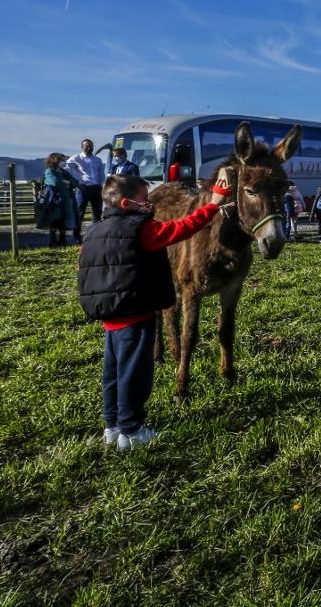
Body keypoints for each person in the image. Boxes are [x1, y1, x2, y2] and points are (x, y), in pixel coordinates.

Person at [77, 173, 230, 450]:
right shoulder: (141, 229)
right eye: (145, 200)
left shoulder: (93, 231)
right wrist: (214, 204)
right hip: (136, 316)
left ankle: (112, 427)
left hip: (110, 319)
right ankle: (132, 430)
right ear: (127, 203)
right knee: (135, 375)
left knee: (112, 374)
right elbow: (182, 228)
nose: (150, 204)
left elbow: (85, 268)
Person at [38, 153, 81, 246]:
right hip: (55, 200)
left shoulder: (63, 171)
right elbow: (54, 182)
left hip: (66, 199)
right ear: (55, 161)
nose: (64, 162)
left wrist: (68, 182)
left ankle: (62, 239)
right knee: (54, 219)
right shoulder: (49, 171)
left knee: (64, 219)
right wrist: (67, 183)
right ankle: (52, 240)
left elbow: (75, 182)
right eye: (62, 160)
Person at [65, 138, 106, 226]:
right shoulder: (76, 158)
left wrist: (103, 186)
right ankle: (77, 236)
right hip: (83, 188)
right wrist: (74, 182)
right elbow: (67, 169)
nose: (89, 148)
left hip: (96, 188)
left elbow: (101, 174)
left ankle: (96, 234)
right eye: (86, 146)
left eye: (91, 146)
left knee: (97, 212)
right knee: (79, 212)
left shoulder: (97, 159)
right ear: (82, 147)